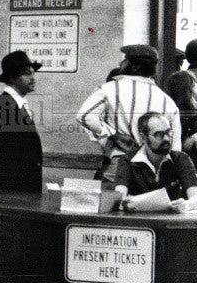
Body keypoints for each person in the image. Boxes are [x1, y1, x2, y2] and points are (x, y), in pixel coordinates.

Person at [76, 44, 181, 183]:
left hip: (118, 165)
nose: (121, 63)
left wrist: (113, 134)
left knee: (111, 203)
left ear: (135, 66)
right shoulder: (167, 101)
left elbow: (84, 116)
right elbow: (175, 148)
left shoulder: (109, 89)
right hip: (152, 171)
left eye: (125, 60)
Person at [112, 113, 197, 213]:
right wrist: (124, 203)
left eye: (168, 133)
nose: (166, 139)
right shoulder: (127, 161)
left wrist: (186, 205)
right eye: (158, 134)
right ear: (143, 137)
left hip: (172, 222)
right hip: (140, 223)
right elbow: (119, 195)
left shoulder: (181, 159)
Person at [0, 51, 43, 193]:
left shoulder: (14, 104)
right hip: (13, 191)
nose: (33, 78)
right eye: (27, 74)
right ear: (12, 78)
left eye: (33, 73)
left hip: (20, 189)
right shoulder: (6, 106)